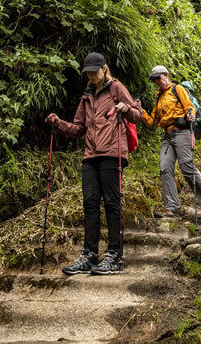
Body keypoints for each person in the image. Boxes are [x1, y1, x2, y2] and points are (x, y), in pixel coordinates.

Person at [47, 52, 141, 276]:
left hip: (112, 152)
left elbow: (138, 115)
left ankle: (114, 256)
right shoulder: (86, 96)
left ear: (104, 68)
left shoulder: (116, 88)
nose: (91, 75)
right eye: (87, 72)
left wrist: (126, 109)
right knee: (90, 203)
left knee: (111, 202)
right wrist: (59, 123)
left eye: (94, 71)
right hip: (90, 155)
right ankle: (89, 255)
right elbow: (79, 128)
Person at [142, 65, 201, 224]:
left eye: (159, 77)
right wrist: (140, 111)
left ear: (166, 75)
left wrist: (191, 114)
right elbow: (152, 123)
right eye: (155, 79)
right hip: (168, 136)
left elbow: (188, 106)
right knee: (165, 168)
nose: (158, 81)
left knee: (187, 168)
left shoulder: (177, 89)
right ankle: (172, 209)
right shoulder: (159, 99)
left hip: (182, 132)